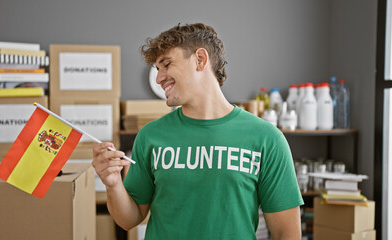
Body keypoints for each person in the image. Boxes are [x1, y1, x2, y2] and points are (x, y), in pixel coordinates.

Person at [92, 23, 304, 240]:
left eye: (166, 65)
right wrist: (113, 184)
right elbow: (129, 219)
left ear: (200, 59)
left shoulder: (267, 139)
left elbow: (286, 234)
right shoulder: (150, 136)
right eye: (158, 69)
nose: (159, 78)